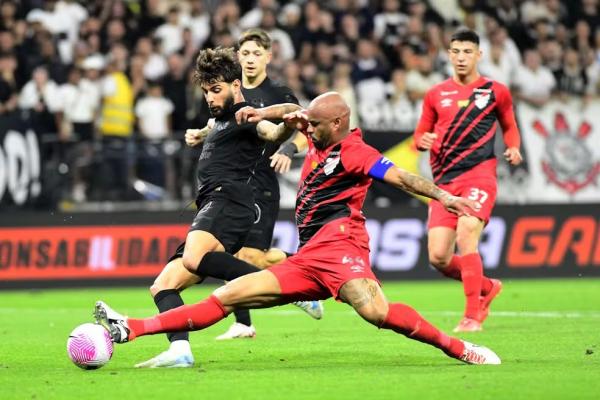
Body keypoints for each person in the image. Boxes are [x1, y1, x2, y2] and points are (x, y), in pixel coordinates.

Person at [95, 91, 501, 366]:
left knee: (376, 311)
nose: (309, 129)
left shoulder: (356, 152)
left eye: (317, 125)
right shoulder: (317, 130)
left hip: (343, 244)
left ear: (339, 122)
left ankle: (461, 348)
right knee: (227, 295)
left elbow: (401, 177)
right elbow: (290, 112)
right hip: (308, 257)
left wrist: (444, 197)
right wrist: (261, 113)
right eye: (309, 123)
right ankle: (130, 328)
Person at [132, 46, 301, 369]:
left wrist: (284, 122)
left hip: (230, 200)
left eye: (217, 89)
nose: (210, 97)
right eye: (207, 91)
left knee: (195, 259)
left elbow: (277, 129)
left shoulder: (249, 117)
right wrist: (198, 135)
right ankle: (180, 351)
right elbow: (211, 126)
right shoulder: (220, 121)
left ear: (236, 86)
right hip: (212, 203)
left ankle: (290, 286)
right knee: (163, 285)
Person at [186, 28, 323, 341]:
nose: (249, 59)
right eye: (244, 53)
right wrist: (201, 134)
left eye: (256, 54)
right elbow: (222, 125)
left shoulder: (276, 93)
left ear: (268, 57)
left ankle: (296, 282)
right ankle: (246, 321)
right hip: (230, 185)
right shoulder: (227, 92)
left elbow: (302, 123)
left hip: (258, 185)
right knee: (232, 255)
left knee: (248, 257)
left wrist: (288, 148)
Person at [413, 28, 523, 333]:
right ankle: (487, 286)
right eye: (456, 52)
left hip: (479, 175)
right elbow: (419, 135)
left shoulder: (495, 90)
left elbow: (510, 125)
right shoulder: (436, 94)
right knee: (438, 257)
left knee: (467, 234)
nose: (461, 58)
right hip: (444, 183)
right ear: (449, 55)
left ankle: (472, 316)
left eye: (467, 52)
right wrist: (423, 141)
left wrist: (513, 147)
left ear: (479, 55)